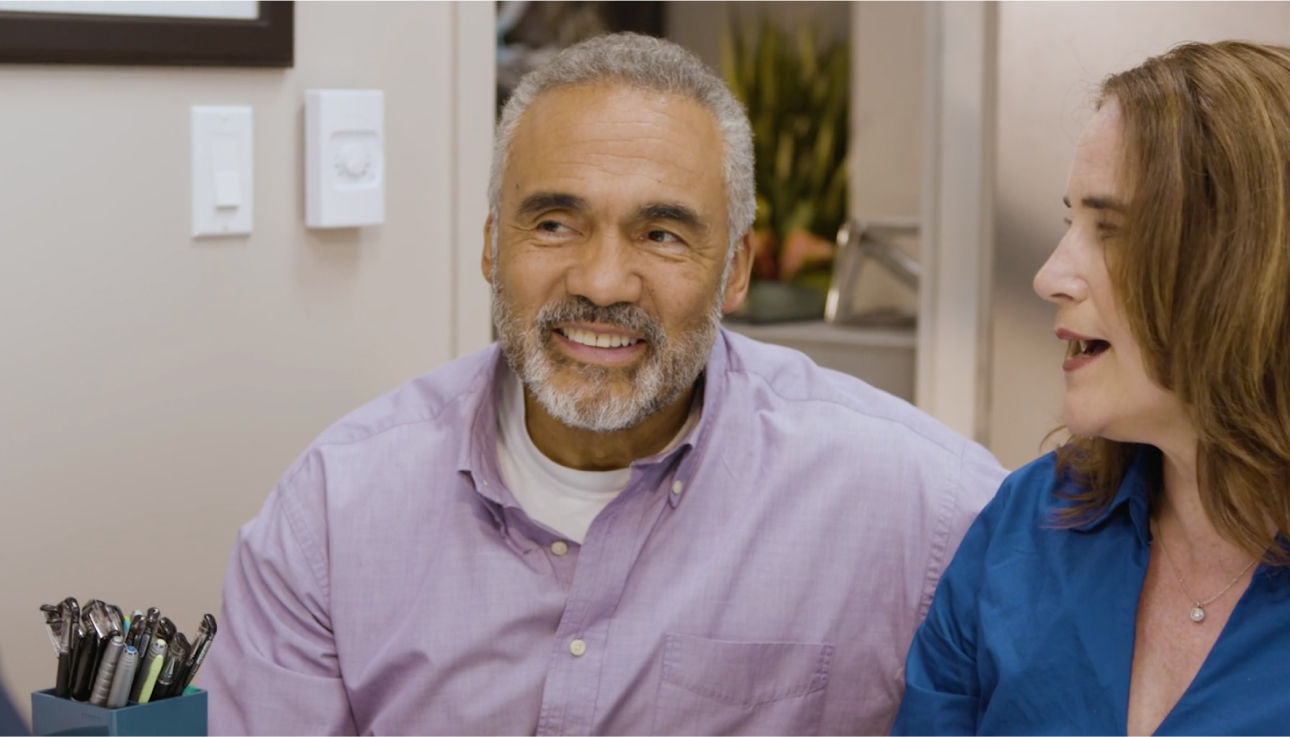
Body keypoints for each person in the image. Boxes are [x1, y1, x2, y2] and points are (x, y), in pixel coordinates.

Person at [204, 33, 1005, 735]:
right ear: (491, 246)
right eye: (555, 223)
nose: (603, 279)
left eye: (661, 234)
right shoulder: (332, 516)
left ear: (736, 272)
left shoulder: (921, 506)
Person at [893, 41, 1290, 735]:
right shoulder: (1025, 524)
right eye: (1069, 222)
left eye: (1112, 231)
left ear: (1245, 268)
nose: (1051, 275)